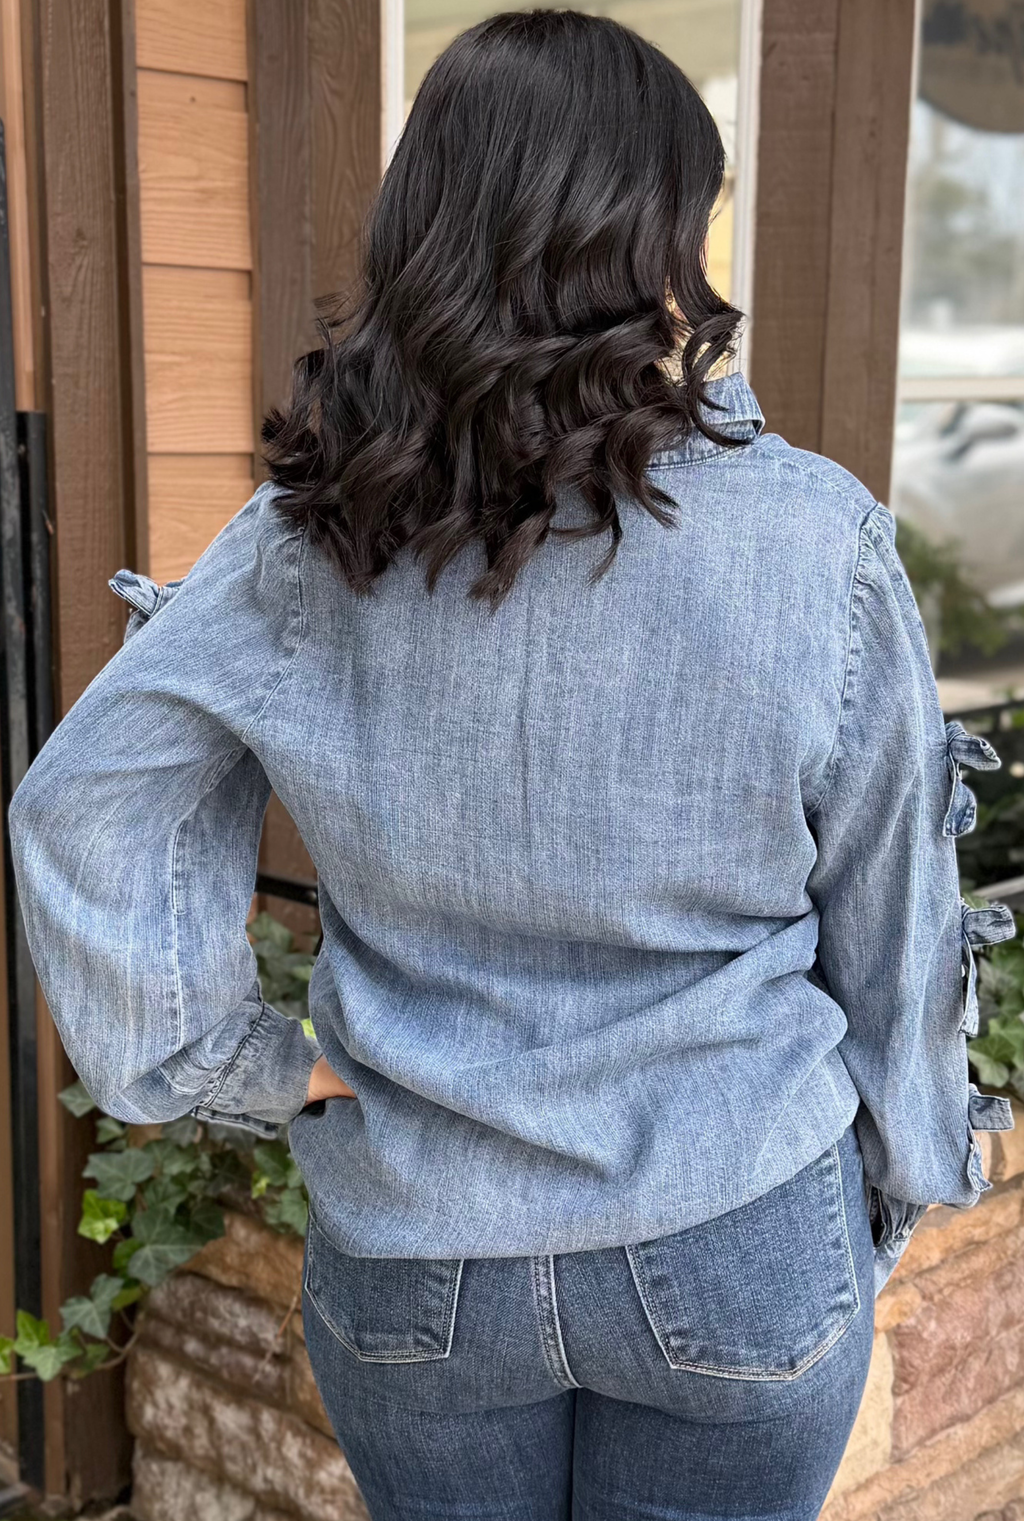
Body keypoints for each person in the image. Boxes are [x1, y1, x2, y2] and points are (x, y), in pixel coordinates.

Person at [8, 9, 1015, 1518]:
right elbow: (894, 905)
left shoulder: (309, 536)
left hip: (422, 1238)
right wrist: (903, 1164)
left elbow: (89, 802)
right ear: (650, 239)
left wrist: (241, 1064)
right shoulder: (815, 537)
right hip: (735, 1218)